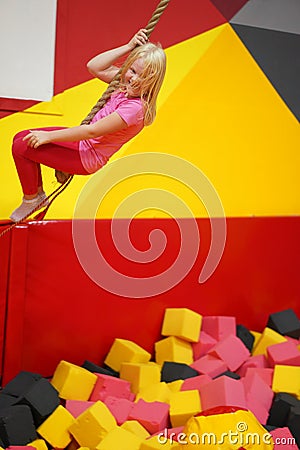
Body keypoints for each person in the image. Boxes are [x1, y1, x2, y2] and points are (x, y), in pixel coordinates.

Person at [10, 29, 166, 222]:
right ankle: (36, 195)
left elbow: (92, 131)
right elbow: (94, 67)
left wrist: (48, 137)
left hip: (87, 155)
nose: (133, 78)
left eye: (142, 76)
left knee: (21, 146)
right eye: (132, 70)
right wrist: (128, 47)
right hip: (82, 144)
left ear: (153, 81)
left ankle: (32, 199)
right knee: (20, 138)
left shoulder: (135, 109)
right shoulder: (124, 86)